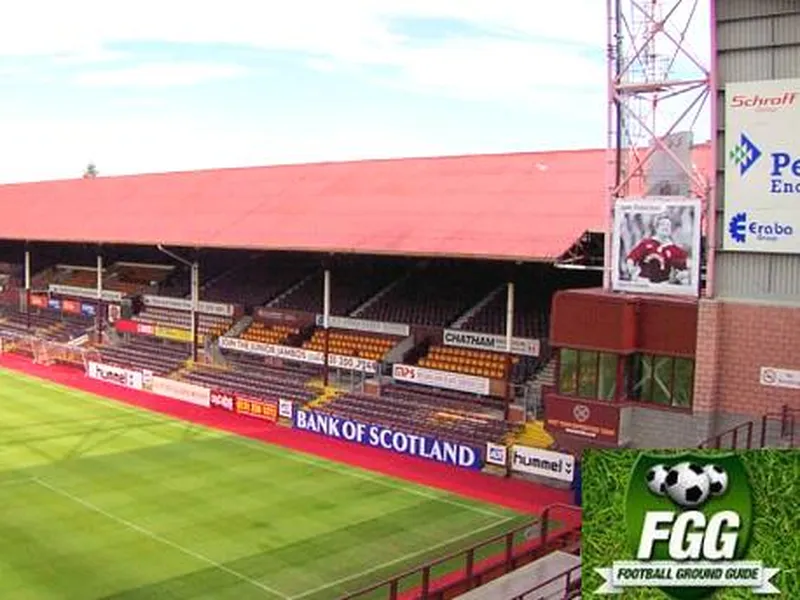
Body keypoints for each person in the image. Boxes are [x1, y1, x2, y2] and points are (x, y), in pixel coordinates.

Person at [624, 213, 690, 284]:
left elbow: (684, 270)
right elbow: (631, 259)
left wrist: (681, 276)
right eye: (663, 224)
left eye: (668, 225)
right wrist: (632, 270)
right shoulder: (646, 244)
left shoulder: (676, 250)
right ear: (656, 227)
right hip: (644, 281)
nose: (666, 227)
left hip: (663, 284)